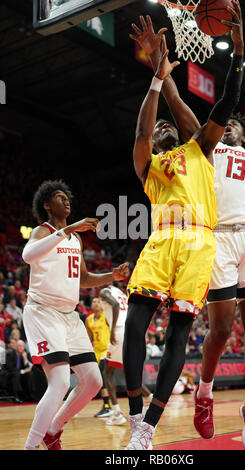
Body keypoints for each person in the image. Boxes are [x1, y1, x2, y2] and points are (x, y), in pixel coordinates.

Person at [130, 5, 245, 451]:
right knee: (222, 328)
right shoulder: (204, 146)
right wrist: (160, 71)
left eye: (238, 128)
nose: (231, 130)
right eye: (227, 127)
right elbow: (177, 103)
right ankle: (203, 393)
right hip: (213, 237)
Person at [123, 4, 245, 450]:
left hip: (198, 242)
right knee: (134, 327)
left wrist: (237, 51)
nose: (158, 132)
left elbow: (225, 102)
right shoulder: (150, 166)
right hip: (162, 241)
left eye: (163, 129)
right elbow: (140, 134)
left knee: (178, 334)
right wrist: (156, 77)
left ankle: (150, 426)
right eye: (155, 133)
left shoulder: (200, 147)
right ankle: (135, 415)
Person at [21, 179, 130, 450]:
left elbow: (82, 279)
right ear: (47, 205)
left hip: (70, 317)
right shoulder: (41, 232)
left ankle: (54, 429)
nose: (66, 200)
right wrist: (67, 228)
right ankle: (31, 445)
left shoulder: (76, 239)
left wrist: (111, 276)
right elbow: (27, 255)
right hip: (43, 312)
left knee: (93, 381)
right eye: (59, 197)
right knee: (58, 382)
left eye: (67, 197)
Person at [95, 284, 153, 426]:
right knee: (129, 372)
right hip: (132, 329)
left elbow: (114, 305)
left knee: (107, 373)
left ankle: (117, 413)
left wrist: (113, 328)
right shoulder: (119, 291)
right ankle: (151, 400)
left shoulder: (104, 291)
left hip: (120, 330)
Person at [85, 296, 113, 419]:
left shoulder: (106, 316)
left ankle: (107, 407)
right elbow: (88, 338)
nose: (95, 303)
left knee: (103, 377)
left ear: (102, 305)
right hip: (96, 352)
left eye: (98, 302)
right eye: (93, 301)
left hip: (107, 351)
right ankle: (107, 406)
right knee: (99, 379)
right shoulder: (89, 319)